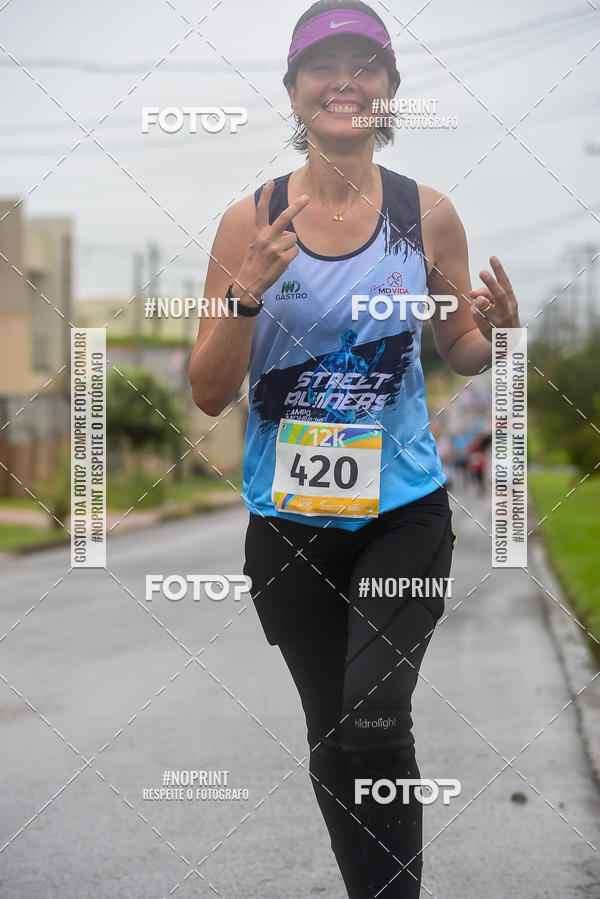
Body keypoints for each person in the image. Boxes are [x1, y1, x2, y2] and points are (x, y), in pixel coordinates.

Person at [188, 1, 521, 895]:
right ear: (294, 92)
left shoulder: (426, 214)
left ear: (391, 91)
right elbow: (209, 390)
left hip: (402, 508)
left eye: (365, 65)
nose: (346, 80)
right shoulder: (247, 223)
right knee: (333, 728)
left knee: (375, 712)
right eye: (323, 66)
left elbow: (459, 347)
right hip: (287, 523)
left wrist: (496, 335)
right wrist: (245, 294)